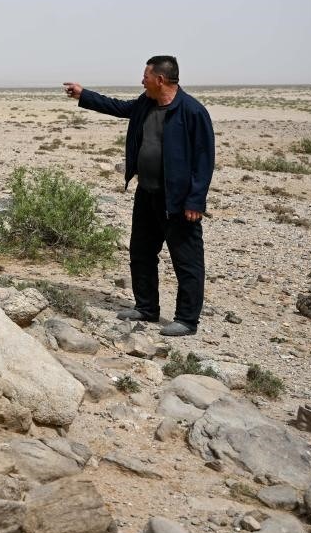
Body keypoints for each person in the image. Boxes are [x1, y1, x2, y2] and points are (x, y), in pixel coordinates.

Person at [63, 55, 214, 336]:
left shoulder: (192, 111)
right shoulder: (146, 104)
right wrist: (84, 95)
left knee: (187, 261)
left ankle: (186, 320)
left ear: (160, 79)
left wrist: (195, 201)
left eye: (145, 76)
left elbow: (204, 160)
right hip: (147, 193)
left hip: (178, 201)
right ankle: (146, 307)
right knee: (141, 252)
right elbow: (118, 107)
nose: (141, 81)